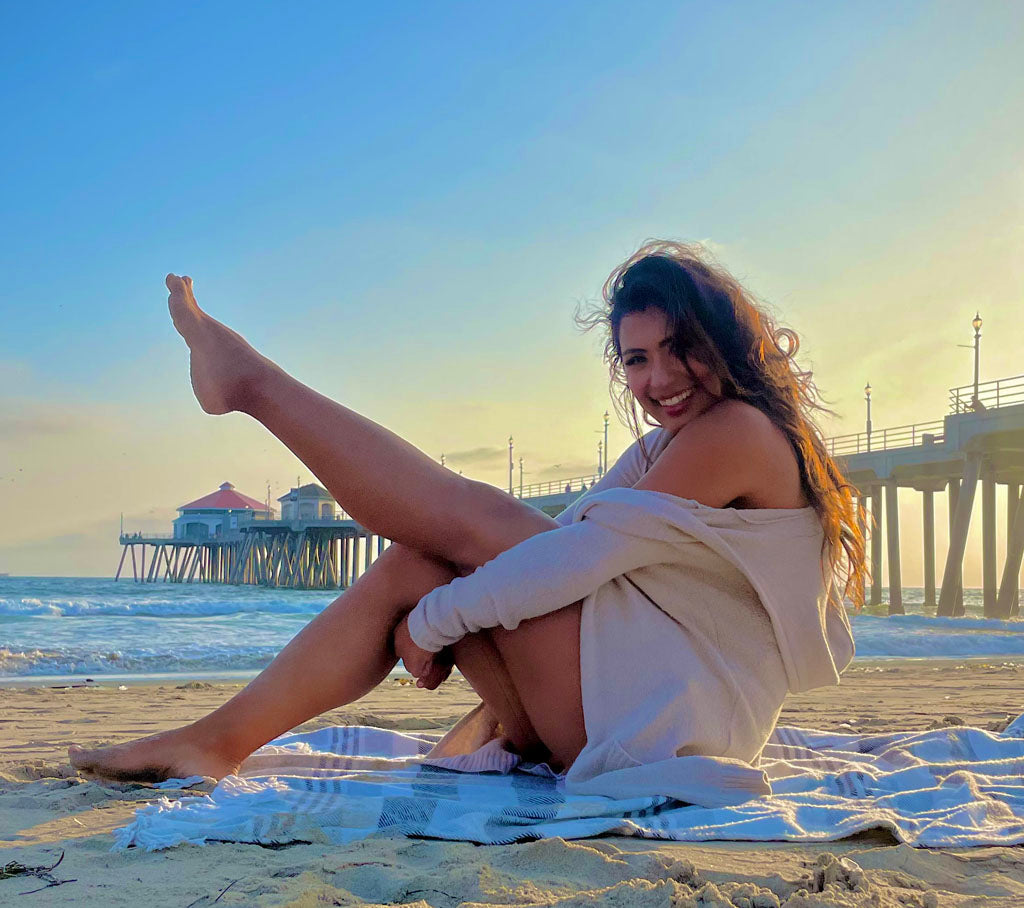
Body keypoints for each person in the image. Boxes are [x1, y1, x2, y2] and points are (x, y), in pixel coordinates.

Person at [70, 241, 864, 802]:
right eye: (635, 359)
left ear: (724, 339)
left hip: (665, 728)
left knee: (472, 527)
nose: (657, 379)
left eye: (677, 349)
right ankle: (215, 742)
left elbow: (578, 556)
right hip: (636, 704)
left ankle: (253, 386)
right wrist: (438, 603)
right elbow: (569, 538)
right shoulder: (670, 446)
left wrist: (435, 623)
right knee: (422, 560)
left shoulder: (738, 432)